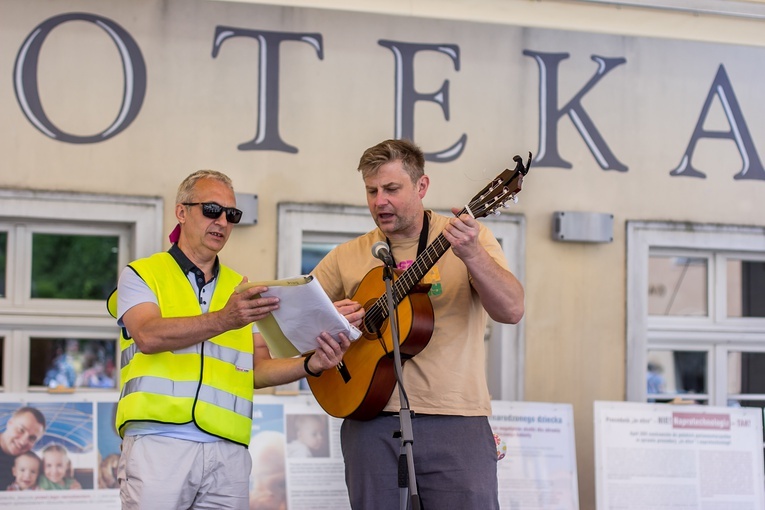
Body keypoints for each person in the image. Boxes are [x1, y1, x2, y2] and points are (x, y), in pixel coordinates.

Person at [109, 169, 351, 510]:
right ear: (182, 212)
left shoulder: (243, 288)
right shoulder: (142, 274)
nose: (222, 221)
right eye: (211, 209)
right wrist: (226, 318)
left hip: (229, 450)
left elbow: (258, 368)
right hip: (158, 442)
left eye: (231, 214)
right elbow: (148, 335)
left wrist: (310, 364)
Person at [311, 139, 525, 509]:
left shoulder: (468, 238)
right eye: (372, 191)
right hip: (369, 420)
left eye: (392, 189)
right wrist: (334, 323)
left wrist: (473, 254)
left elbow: (512, 310)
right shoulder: (347, 256)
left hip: (456, 419)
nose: (380, 201)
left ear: (421, 187)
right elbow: (301, 324)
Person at [0, 407, 46, 490]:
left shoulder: (30, 461)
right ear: (9, 423)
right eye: (21, 430)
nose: (23, 441)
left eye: (32, 438)